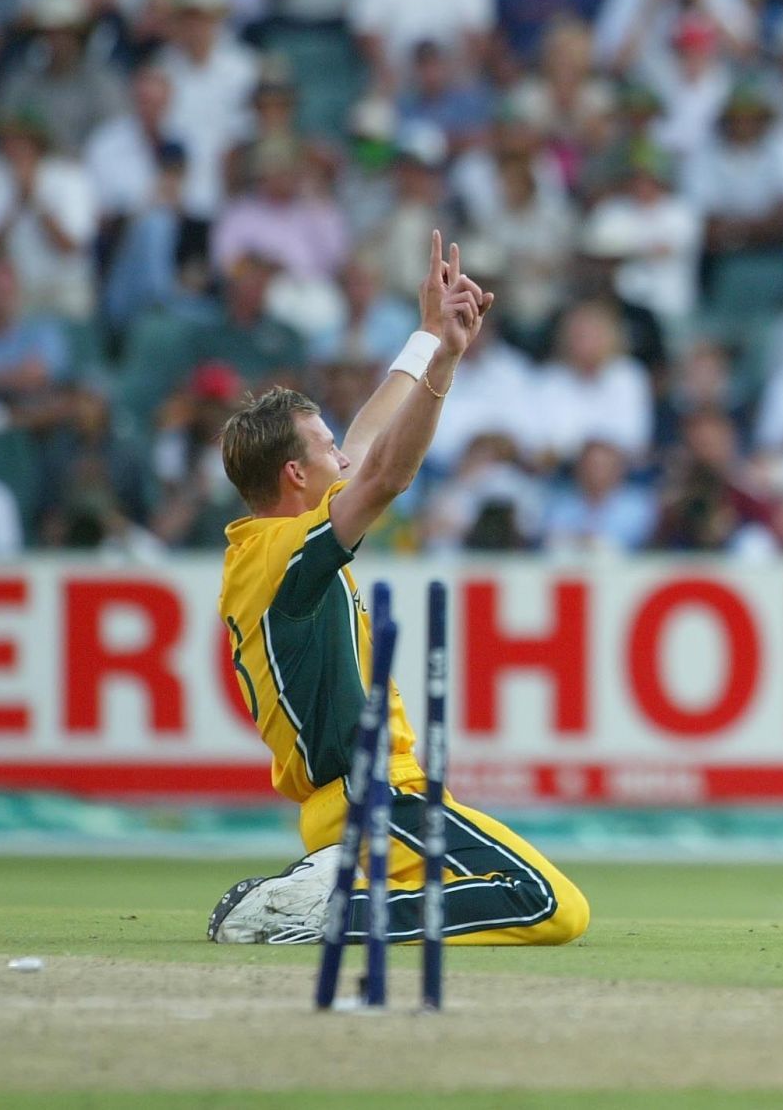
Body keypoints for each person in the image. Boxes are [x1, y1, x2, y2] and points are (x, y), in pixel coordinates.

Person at [206, 231, 589, 947]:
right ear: (294, 476)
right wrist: (444, 366)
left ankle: (328, 891)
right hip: (372, 796)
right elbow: (386, 473)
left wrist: (422, 336)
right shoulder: (281, 551)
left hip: (357, 799)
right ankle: (334, 914)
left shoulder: (273, 546)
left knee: (527, 897)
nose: (340, 453)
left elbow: (368, 437)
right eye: (322, 448)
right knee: (548, 906)